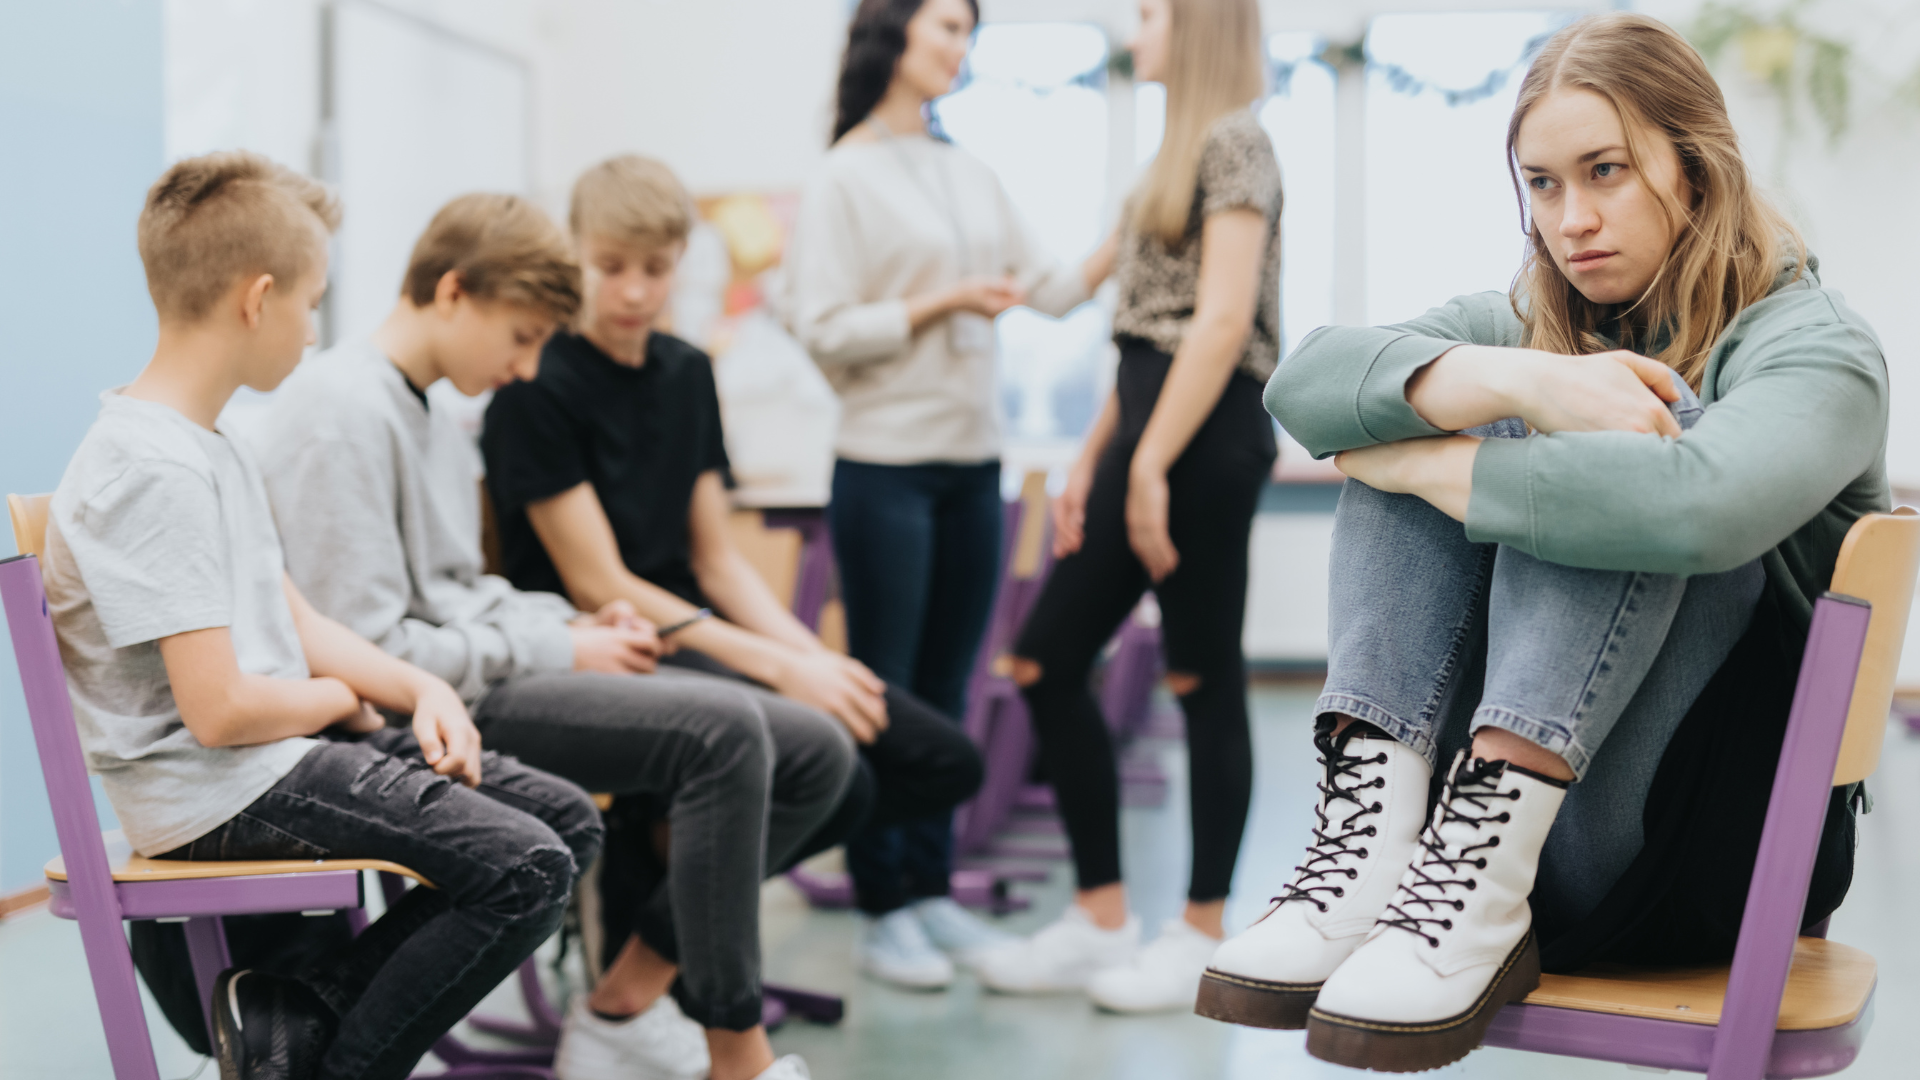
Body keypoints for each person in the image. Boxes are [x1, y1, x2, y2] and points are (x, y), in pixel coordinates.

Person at [1196, 12, 1888, 1072]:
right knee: (1437, 392)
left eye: (1605, 171)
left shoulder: (1817, 345)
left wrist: (1433, 461)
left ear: (1695, 171)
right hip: (1468, 868)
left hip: (1709, 859)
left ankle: (1475, 860)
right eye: (1544, 184)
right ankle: (1373, 846)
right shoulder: (1540, 324)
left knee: (1637, 434)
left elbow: (1698, 507)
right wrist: (1525, 378)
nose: (1572, 219)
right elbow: (1307, 381)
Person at [245, 193, 852, 1080]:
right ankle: (737, 1056)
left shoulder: (430, 415)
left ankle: (624, 1004)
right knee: (727, 735)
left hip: (482, 679)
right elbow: (377, 658)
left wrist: (566, 622)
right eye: (521, 336)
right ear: (452, 293)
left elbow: (463, 594)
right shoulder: (340, 412)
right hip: (428, 714)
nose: (528, 367)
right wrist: (561, 649)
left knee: (817, 752)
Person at [39, 152, 605, 1080]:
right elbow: (218, 710)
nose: (315, 330)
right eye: (311, 302)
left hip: (270, 762)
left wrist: (420, 687)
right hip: (221, 784)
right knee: (526, 869)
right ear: (258, 299)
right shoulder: (152, 470)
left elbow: (289, 617)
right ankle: (316, 1050)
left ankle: (296, 1017)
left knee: (566, 824)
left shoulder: (207, 445)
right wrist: (338, 697)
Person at [478, 155, 987, 992]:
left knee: (935, 760)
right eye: (610, 268)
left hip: (691, 632)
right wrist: (780, 666)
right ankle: (648, 978)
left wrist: (810, 657)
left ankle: (658, 903)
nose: (635, 291)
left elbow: (715, 560)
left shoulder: (688, 372)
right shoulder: (537, 384)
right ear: (576, 255)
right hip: (608, 642)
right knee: (830, 766)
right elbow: (604, 582)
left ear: (682, 261)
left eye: (655, 269)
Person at [782, 0, 1120, 990]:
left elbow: (1052, 289)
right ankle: (884, 904)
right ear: (890, 35)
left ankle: (930, 888)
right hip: (882, 464)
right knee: (885, 690)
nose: (959, 48)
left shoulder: (969, 170)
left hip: (975, 464)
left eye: (969, 32)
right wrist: (940, 302)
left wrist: (1136, 226)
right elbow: (822, 327)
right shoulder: (844, 173)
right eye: (945, 26)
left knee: (952, 687)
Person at [973, 0, 1281, 1013]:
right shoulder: (1170, 156)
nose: (1134, 28)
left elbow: (1224, 319)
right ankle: (1101, 914)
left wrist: (1148, 464)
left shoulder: (1238, 142)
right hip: (1151, 422)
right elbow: (1143, 335)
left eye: (1150, 11)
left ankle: (1198, 930)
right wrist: (1096, 457)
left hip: (1207, 432)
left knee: (1201, 677)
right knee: (1047, 661)